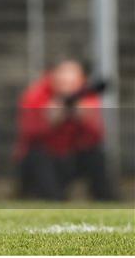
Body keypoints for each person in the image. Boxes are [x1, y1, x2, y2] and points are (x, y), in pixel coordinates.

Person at [15, 60, 114, 201]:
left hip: (72, 159)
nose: (67, 81)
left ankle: (107, 198)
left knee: (96, 155)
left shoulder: (86, 97)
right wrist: (49, 120)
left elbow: (97, 136)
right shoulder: (36, 95)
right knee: (37, 155)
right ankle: (51, 197)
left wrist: (83, 118)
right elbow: (28, 134)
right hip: (45, 160)